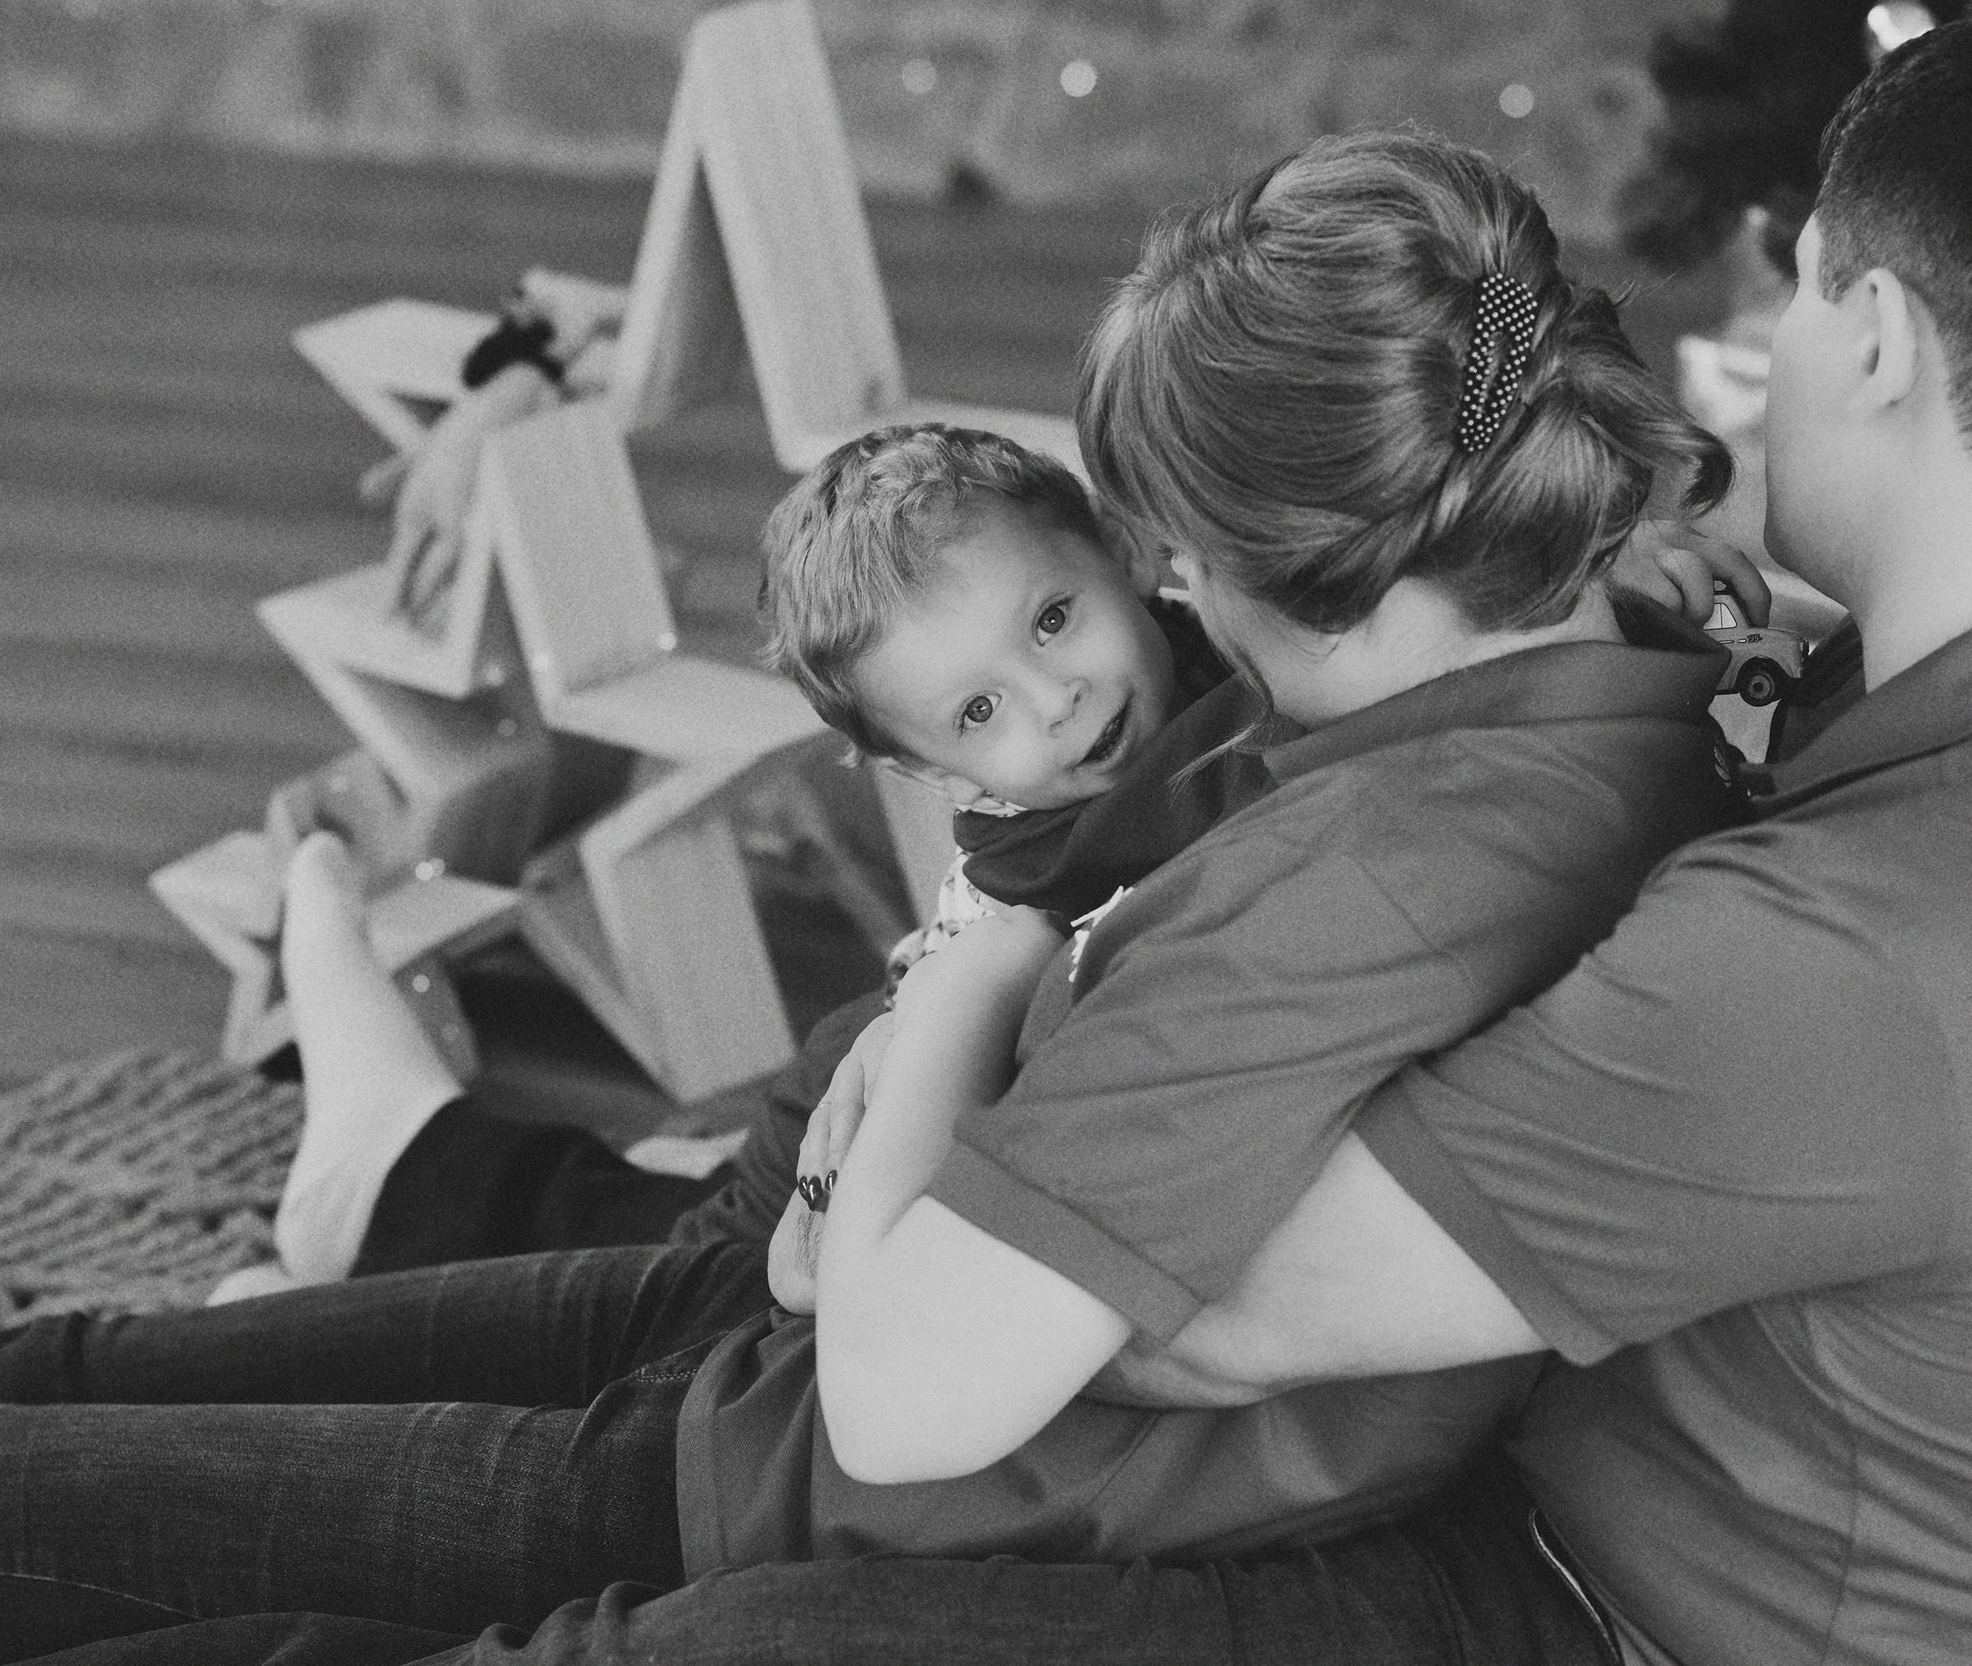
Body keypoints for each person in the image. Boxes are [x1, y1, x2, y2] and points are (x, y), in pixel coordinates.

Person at [0, 3, 1972, 1666]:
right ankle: (412, 1199)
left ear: (1880, 337)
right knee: (657, 1307)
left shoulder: (1833, 944)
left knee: (658, 1551)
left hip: (1568, 1593)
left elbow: (1049, 1331)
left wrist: (979, 965)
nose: (1755, 337)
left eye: (1790, 285)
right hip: (1635, 1502)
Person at [0, 127, 1754, 1640]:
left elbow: (903, 1372)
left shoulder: (1384, 867)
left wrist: (972, 967)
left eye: (1182, 565)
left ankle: (379, 1167)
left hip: (809, 1471)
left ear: (1285, 566)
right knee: (101, 1395)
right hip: (777, 1379)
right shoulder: (1612, 686)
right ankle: (383, 1178)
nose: (1171, 612)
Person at [259, 420, 1265, 1291]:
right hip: (844, 1147)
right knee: (663, 1293)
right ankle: (349, 1237)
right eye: (978, 710)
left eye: (1052, 620)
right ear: (943, 777)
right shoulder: (1043, 853)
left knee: (647, 1231)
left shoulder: (1242, 661)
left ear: (1128, 551)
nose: (1057, 701)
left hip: (891, 1123)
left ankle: (404, 1169)